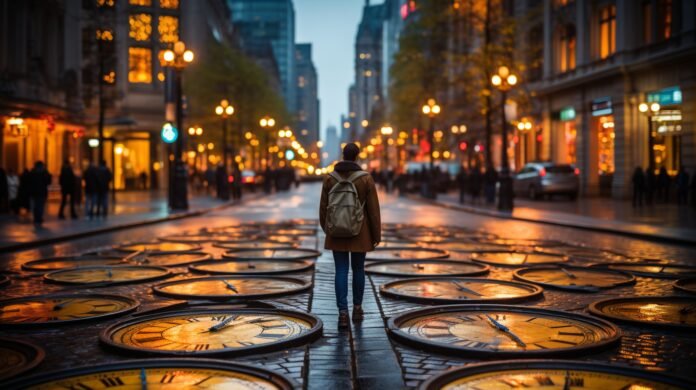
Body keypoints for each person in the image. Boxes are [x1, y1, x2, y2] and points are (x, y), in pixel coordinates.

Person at [320, 143, 381, 328]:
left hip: (336, 232)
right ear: (357, 156)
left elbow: (323, 209)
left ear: (343, 155)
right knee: (358, 270)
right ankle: (357, 308)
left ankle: (343, 313)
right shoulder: (365, 179)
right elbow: (373, 211)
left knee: (340, 270)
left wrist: (329, 228)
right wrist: (376, 234)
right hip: (360, 232)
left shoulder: (330, 178)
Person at [27, 161, 51, 225]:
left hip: (36, 192)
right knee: (40, 206)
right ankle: (38, 218)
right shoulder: (43, 173)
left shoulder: (32, 172)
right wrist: (46, 172)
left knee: (37, 206)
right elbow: (48, 181)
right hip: (40, 192)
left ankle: (37, 218)